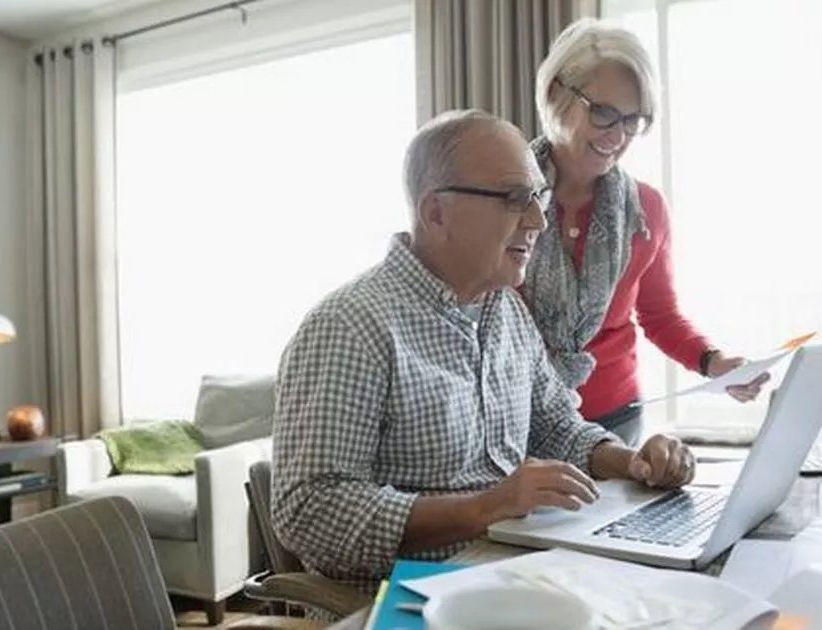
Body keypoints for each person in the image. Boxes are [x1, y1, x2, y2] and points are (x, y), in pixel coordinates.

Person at [271, 110, 695, 594]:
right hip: (410, 597)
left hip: (515, 573)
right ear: (436, 213)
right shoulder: (350, 326)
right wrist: (485, 508)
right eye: (514, 199)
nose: (539, 220)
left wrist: (632, 462)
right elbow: (309, 512)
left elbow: (556, 426)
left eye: (538, 197)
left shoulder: (505, 310)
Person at [521, 19, 769, 444]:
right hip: (517, 419)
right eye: (603, 113)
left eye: (632, 120)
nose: (618, 136)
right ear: (555, 93)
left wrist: (714, 363)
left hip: (617, 421)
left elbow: (659, 315)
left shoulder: (646, 210)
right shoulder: (504, 198)